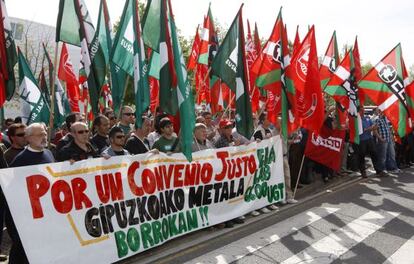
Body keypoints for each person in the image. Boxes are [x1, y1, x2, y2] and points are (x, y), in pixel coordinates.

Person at [6, 123, 55, 264]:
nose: (44, 137)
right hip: (28, 214)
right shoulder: (21, 160)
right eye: (40, 134)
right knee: (22, 249)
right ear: (28, 138)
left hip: (46, 211)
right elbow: (14, 191)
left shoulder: (49, 153)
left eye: (45, 133)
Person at [358, 107, 379, 178]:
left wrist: (370, 128)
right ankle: (363, 172)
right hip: (362, 140)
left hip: (369, 139)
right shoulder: (357, 120)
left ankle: (378, 170)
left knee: (374, 154)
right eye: (361, 110)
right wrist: (369, 128)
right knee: (361, 156)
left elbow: (374, 126)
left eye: (363, 110)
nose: (363, 111)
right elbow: (361, 130)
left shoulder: (367, 118)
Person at [373, 109, 393, 177]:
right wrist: (380, 138)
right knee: (382, 156)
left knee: (385, 156)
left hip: (387, 140)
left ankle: (384, 170)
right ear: (380, 111)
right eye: (383, 111)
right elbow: (374, 131)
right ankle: (381, 171)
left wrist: (390, 137)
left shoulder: (385, 119)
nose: (385, 112)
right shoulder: (377, 119)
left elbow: (387, 129)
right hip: (382, 141)